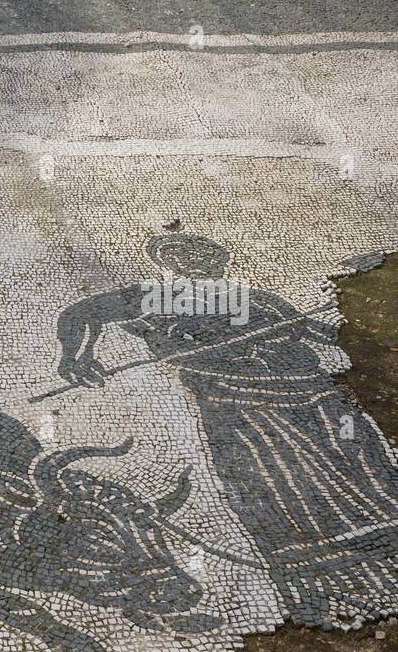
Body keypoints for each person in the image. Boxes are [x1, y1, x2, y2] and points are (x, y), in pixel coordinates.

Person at [55, 232, 398, 626]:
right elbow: (79, 313)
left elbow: (324, 333)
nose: (193, 260)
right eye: (179, 255)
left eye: (201, 253)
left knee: (373, 480)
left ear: (219, 261)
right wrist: (76, 355)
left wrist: (353, 303)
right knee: (279, 494)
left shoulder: (257, 298)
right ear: (165, 266)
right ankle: (329, 596)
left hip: (318, 400)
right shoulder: (157, 298)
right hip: (244, 410)